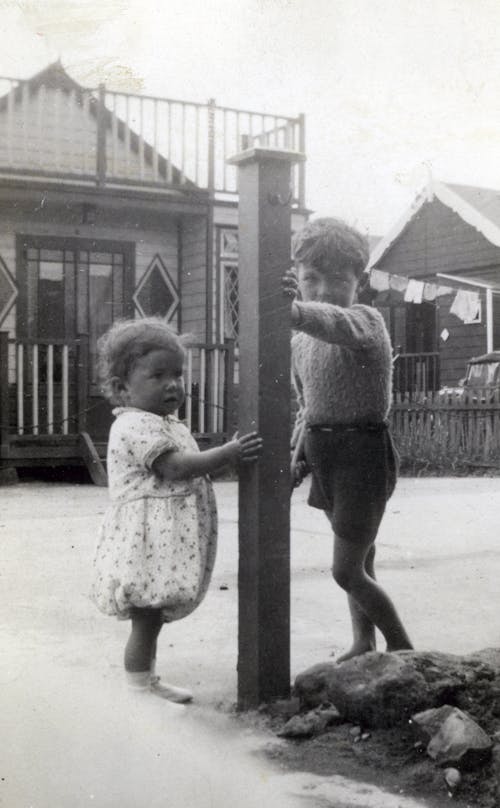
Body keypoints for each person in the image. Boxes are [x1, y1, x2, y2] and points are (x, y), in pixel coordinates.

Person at [90, 317, 262, 703]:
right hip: (144, 541)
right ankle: (137, 690)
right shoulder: (134, 425)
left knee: (152, 617)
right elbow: (176, 467)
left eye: (178, 374)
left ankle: (147, 681)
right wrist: (228, 453)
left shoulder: (161, 421)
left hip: (158, 539)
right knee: (145, 617)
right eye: (158, 375)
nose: (173, 384)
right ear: (122, 389)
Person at [282, 217, 413, 662]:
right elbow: (307, 407)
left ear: (359, 282)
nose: (322, 289)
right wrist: (297, 457)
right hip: (325, 454)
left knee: (346, 570)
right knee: (362, 558)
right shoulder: (300, 341)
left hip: (362, 455)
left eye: (338, 279)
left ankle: (403, 648)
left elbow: (334, 323)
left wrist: (295, 311)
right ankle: (364, 641)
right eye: (310, 279)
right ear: (297, 279)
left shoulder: (367, 322)